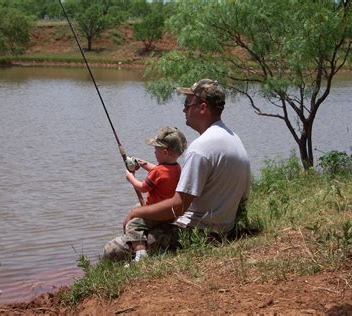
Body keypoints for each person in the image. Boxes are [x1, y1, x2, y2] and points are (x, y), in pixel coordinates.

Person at [103, 78, 251, 261]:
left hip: (200, 234)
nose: (184, 109)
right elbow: (243, 197)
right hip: (223, 228)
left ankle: (138, 261)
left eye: (187, 104)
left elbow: (177, 207)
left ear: (203, 108)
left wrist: (135, 214)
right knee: (142, 210)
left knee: (111, 249)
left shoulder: (201, 148)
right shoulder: (234, 139)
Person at [123, 126, 187, 263]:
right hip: (169, 212)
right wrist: (143, 164)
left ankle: (140, 255)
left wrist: (130, 177)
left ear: (164, 152)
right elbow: (158, 170)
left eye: (155, 150)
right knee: (136, 207)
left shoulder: (157, 172)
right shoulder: (176, 167)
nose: (154, 152)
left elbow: (142, 188)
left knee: (132, 225)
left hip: (155, 213)